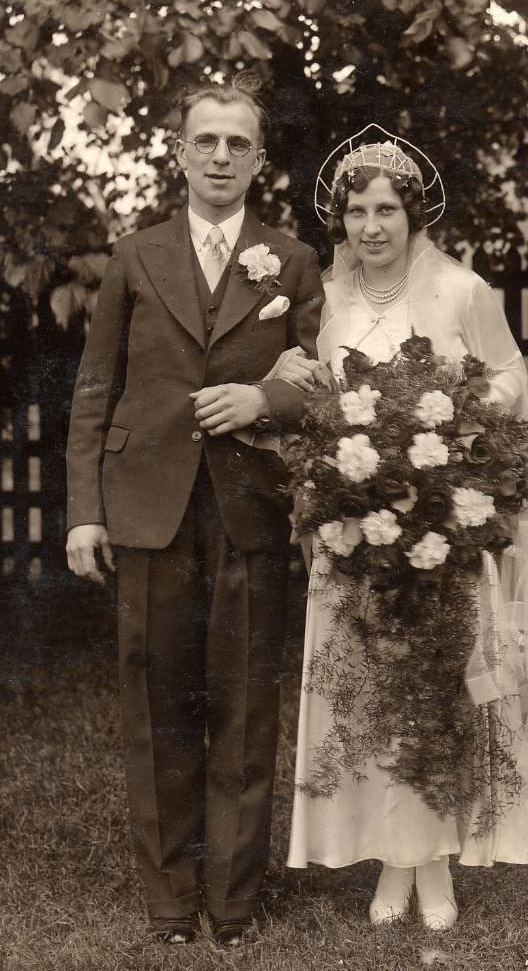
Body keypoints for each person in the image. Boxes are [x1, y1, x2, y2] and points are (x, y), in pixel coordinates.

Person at [281, 131, 528, 930]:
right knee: (362, 698)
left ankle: (433, 866)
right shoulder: (326, 300)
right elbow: (297, 380)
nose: (372, 227)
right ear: (340, 221)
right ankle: (389, 861)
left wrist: (461, 415)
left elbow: (511, 374)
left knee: (436, 697)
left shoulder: (460, 291)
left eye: (387, 210)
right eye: (357, 212)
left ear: (414, 215)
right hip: (351, 528)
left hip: (440, 526)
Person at [65, 80, 324, 946]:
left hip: (250, 512)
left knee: (245, 705)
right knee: (157, 703)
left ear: (259, 158)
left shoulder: (290, 261)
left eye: (237, 144)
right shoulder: (136, 256)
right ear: (179, 153)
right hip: (148, 511)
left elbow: (322, 378)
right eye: (205, 141)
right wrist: (83, 513)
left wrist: (263, 400)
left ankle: (235, 900)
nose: (220, 157)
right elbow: (95, 389)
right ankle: (171, 901)